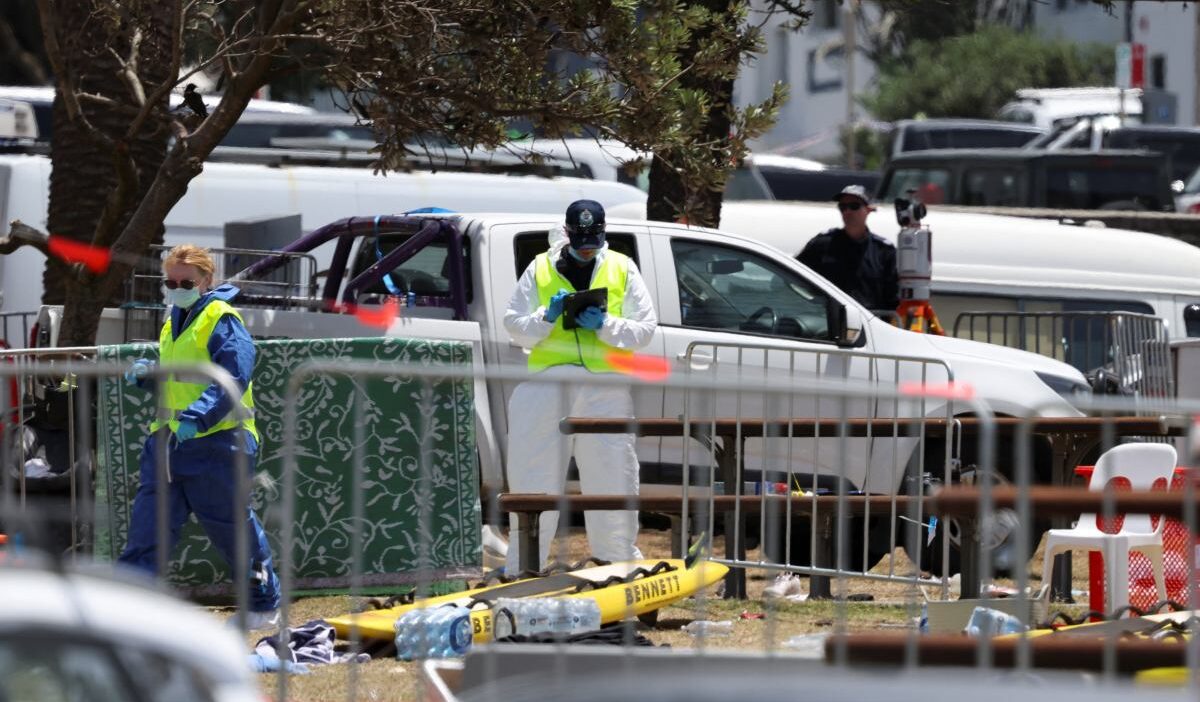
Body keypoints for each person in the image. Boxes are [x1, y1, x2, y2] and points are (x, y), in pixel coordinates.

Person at [119, 244, 281, 629]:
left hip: (218, 444)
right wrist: (150, 375)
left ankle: (262, 603)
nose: (176, 288)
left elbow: (232, 377)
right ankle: (124, 609)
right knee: (147, 530)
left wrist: (197, 417)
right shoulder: (174, 317)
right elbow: (180, 381)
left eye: (185, 282)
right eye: (169, 282)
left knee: (234, 533)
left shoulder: (222, 319)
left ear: (207, 280)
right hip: (170, 444)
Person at [503, 199, 658, 572]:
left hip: (605, 387)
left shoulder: (622, 267)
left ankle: (617, 562)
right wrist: (546, 316)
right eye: (582, 238)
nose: (588, 246)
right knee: (533, 476)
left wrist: (605, 325)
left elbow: (645, 329)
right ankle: (524, 565)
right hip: (547, 386)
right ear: (568, 233)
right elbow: (513, 323)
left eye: (595, 238)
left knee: (612, 474)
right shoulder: (540, 267)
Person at [796, 184, 899, 314]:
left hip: (871, 324)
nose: (847, 212)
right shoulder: (822, 244)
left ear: (868, 210)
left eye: (854, 206)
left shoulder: (884, 251)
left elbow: (893, 296)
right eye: (842, 207)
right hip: (829, 323)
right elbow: (796, 278)